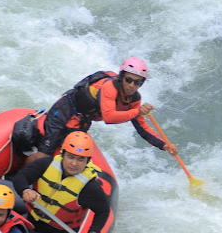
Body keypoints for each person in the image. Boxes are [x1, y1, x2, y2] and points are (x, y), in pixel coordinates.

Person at [26, 57, 178, 165]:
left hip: (82, 121)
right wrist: (137, 112)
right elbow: (109, 117)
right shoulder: (110, 87)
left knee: (75, 160)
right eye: (128, 80)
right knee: (44, 155)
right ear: (122, 77)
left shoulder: (134, 99)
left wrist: (163, 144)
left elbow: (142, 127)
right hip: (64, 112)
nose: (131, 85)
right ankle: (23, 174)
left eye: (137, 82)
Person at [13, 131, 111, 233]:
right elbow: (21, 177)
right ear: (63, 154)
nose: (74, 163)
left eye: (80, 160)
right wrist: (25, 189)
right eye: (70, 157)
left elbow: (103, 211)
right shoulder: (46, 164)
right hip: (30, 222)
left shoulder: (90, 188)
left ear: (87, 161)